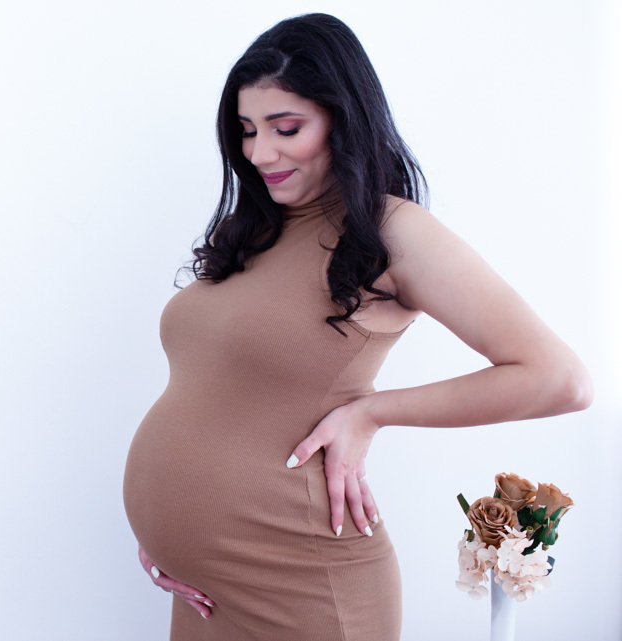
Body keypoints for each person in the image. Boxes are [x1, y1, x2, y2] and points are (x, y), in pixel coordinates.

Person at [121, 12, 593, 641]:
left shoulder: (392, 231)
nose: (261, 153)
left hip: (303, 584)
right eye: (246, 130)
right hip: (204, 592)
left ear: (342, 120)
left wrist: (370, 413)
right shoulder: (257, 230)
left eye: (287, 128)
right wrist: (169, 533)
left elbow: (559, 380)